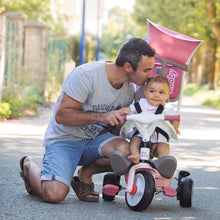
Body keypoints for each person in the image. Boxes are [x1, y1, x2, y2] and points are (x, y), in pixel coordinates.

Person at [19, 38, 155, 203]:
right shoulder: (86, 75)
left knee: (132, 153)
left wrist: (120, 125)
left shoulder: (129, 89)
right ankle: (28, 165)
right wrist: (102, 116)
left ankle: (86, 173)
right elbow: (62, 115)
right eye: (146, 70)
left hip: (94, 142)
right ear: (128, 66)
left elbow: (114, 131)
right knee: (54, 194)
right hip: (65, 140)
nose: (150, 75)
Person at [121, 75, 180, 164]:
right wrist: (120, 113)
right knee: (134, 141)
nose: (156, 95)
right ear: (145, 92)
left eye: (161, 93)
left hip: (158, 139)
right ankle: (135, 155)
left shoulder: (167, 109)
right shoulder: (141, 104)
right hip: (141, 136)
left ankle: (164, 163)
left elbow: (175, 119)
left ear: (167, 95)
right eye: (152, 91)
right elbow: (128, 110)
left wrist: (175, 126)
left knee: (163, 147)